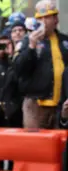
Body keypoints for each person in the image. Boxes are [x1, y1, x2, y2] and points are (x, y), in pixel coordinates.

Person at [14, 0, 68, 129]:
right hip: (35, 105)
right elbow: (18, 69)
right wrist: (32, 47)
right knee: (35, 143)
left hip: (60, 104)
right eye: (40, 18)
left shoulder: (64, 41)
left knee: (59, 143)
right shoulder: (28, 40)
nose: (43, 21)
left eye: (47, 17)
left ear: (56, 19)